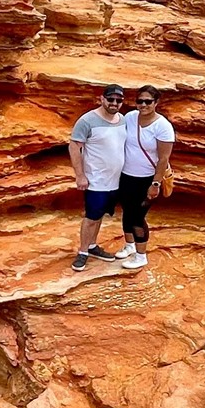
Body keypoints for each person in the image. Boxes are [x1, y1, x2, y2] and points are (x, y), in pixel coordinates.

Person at [68, 84, 175, 271]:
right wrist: (80, 175)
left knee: (135, 216)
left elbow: (163, 157)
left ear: (156, 103)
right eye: (139, 101)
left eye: (148, 101)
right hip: (110, 179)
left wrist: (156, 183)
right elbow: (75, 145)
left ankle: (138, 255)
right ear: (102, 99)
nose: (143, 104)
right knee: (103, 215)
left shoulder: (151, 124)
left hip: (138, 179)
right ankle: (91, 250)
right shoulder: (120, 118)